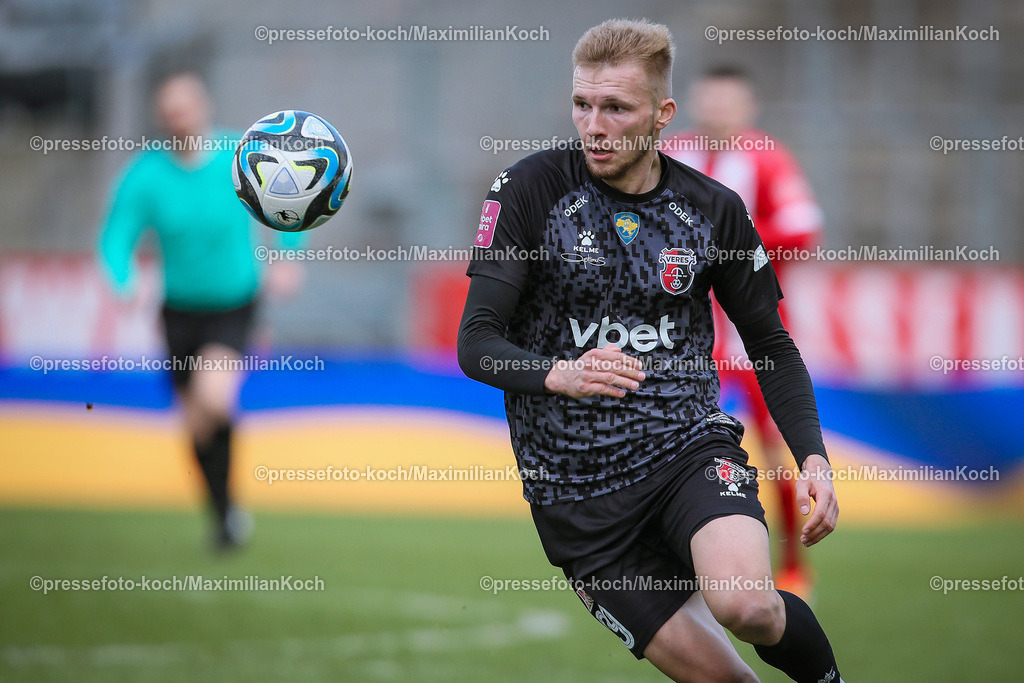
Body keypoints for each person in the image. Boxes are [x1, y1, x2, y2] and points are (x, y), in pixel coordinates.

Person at [458, 19, 842, 682]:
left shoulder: (712, 210)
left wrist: (813, 454)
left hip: (686, 448)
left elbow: (770, 344)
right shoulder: (529, 190)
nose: (594, 125)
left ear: (662, 114)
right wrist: (560, 374)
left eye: (616, 108)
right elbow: (476, 342)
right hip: (577, 496)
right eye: (583, 104)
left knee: (749, 604)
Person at [98, 71, 303, 550]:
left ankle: (228, 515)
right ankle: (226, 516)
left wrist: (288, 256)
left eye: (184, 107)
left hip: (233, 304)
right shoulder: (147, 175)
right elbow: (115, 236)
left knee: (213, 398)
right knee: (195, 426)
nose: (178, 119)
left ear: (204, 106)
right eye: (169, 112)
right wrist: (122, 278)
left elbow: (288, 201)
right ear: (161, 119)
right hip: (178, 312)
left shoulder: (240, 157)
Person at [663, 65, 825, 597]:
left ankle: (793, 563)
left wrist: (731, 247)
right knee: (667, 441)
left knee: (775, 448)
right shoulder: (671, 155)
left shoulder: (766, 157)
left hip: (750, 332)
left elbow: (803, 229)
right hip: (678, 333)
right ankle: (673, 561)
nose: (717, 110)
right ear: (691, 103)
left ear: (747, 107)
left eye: (728, 102)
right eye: (709, 100)